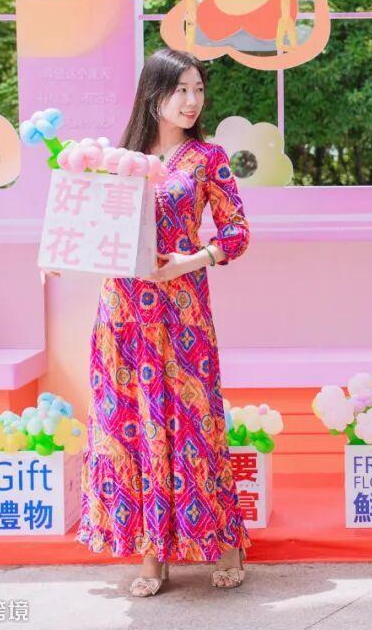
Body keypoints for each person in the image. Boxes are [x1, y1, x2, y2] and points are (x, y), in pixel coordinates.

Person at [73, 48, 251, 597]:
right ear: (154, 94)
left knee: (193, 426)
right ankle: (153, 553)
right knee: (131, 427)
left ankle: (225, 543)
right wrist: (57, 255)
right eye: (181, 90)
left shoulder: (207, 158)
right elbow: (90, 226)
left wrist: (188, 262)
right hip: (123, 313)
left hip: (181, 313)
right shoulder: (118, 157)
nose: (193, 101)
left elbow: (236, 233)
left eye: (199, 89)